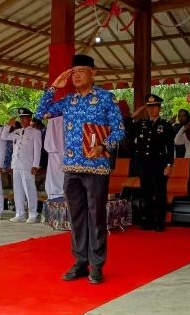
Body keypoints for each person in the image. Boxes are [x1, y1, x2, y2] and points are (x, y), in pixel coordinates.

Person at [35, 55, 125, 285]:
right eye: (73, 72)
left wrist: (103, 146)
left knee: (95, 217)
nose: (75, 76)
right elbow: (40, 113)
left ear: (93, 73)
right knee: (76, 217)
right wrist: (54, 87)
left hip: (96, 167)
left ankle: (96, 265)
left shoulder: (106, 98)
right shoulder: (69, 101)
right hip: (72, 167)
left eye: (81, 71)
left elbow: (119, 130)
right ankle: (80, 262)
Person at [129, 94, 175, 232]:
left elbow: (170, 146)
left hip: (159, 164)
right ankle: (147, 220)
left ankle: (160, 221)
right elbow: (126, 131)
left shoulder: (165, 125)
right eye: (149, 107)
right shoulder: (142, 124)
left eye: (154, 107)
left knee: (160, 193)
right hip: (144, 164)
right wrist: (133, 116)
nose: (151, 110)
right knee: (146, 193)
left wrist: (169, 165)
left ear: (160, 108)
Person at [1, 108, 43, 222]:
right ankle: (20, 213)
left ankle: (33, 214)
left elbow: (37, 150)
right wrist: (8, 125)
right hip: (16, 164)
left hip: (28, 165)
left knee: (29, 189)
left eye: (25, 117)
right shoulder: (16, 132)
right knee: (18, 189)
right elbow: (4, 136)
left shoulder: (35, 132)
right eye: (21, 118)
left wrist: (35, 165)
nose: (23, 120)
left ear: (29, 118)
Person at [42, 114, 67, 203]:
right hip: (53, 151)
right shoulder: (52, 119)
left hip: (63, 150)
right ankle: (54, 195)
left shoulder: (63, 118)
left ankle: (59, 194)